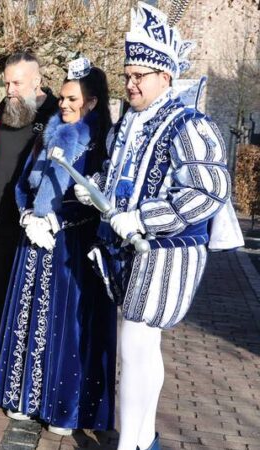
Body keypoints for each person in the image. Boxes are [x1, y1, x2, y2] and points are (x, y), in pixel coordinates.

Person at [76, 4, 243, 449]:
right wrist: (93, 189)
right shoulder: (129, 123)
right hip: (129, 249)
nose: (130, 83)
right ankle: (142, 438)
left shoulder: (191, 124)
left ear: (165, 77)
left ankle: (131, 442)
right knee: (139, 347)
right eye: (128, 74)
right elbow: (118, 176)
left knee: (135, 345)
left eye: (140, 75)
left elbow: (206, 193)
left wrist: (145, 218)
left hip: (167, 252)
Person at [0, 58, 116, 435]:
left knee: (65, 324)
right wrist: (28, 212)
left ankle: (62, 407)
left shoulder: (98, 140)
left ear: (91, 101)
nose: (64, 104)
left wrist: (58, 220)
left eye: (72, 98)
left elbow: (95, 196)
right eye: (61, 97)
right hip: (35, 241)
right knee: (30, 318)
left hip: (70, 246)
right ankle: (25, 397)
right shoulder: (51, 132)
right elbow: (24, 180)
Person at [0, 52, 58, 375]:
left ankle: (14, 368)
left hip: (30, 221)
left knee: (23, 295)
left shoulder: (55, 112)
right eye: (7, 82)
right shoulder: (4, 107)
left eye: (17, 82)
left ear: (37, 81)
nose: (10, 89)